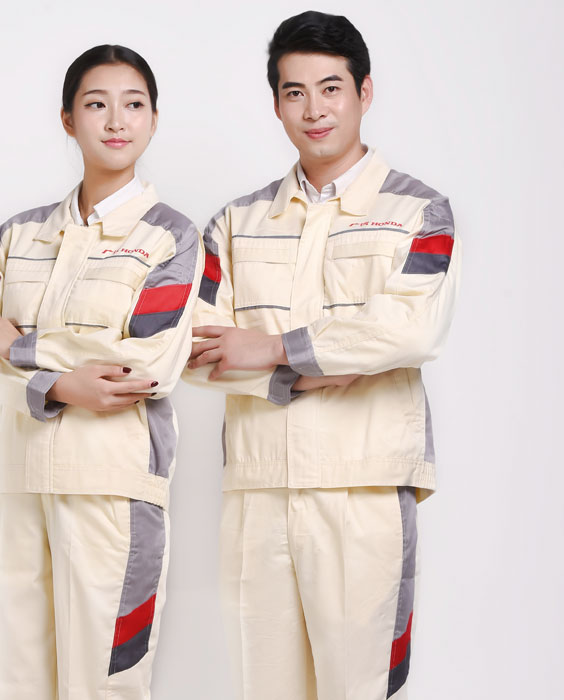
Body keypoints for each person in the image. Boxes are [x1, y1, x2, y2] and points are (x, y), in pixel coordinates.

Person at [185, 11, 460, 700]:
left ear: (364, 92)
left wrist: (273, 347)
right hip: (257, 490)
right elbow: (192, 348)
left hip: (364, 488)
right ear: (276, 103)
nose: (314, 109)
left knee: (358, 689)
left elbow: (411, 331)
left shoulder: (419, 212)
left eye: (331, 88)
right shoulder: (235, 224)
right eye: (295, 92)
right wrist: (320, 368)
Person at [0, 44, 203, 700]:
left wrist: (24, 348)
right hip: (22, 480)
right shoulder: (19, 236)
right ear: (68, 119)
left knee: (104, 683)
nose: (116, 120)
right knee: (20, 680)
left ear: (154, 119)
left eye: (134, 105)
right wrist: (64, 381)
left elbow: (146, 361)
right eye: (97, 104)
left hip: (112, 487)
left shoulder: (172, 238)